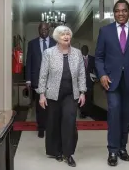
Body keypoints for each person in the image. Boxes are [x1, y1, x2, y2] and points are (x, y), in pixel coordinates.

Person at [95, 0, 129, 166]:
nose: (121, 13)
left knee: (126, 116)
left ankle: (122, 148)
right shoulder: (105, 31)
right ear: (114, 13)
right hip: (111, 81)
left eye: (124, 10)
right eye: (117, 11)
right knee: (114, 111)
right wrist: (102, 75)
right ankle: (112, 149)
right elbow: (99, 57)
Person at [38, 25, 86, 167]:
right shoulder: (49, 53)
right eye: (62, 34)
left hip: (71, 93)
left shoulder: (77, 53)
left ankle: (68, 153)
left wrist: (83, 92)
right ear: (57, 38)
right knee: (54, 122)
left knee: (69, 122)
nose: (66, 36)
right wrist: (42, 94)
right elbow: (43, 74)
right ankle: (56, 151)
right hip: (53, 93)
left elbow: (82, 74)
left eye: (68, 34)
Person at [25, 22, 56, 138]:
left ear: (49, 30)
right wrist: (28, 79)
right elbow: (29, 62)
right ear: (38, 30)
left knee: (51, 104)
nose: (44, 31)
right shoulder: (32, 44)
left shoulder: (55, 43)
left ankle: (50, 126)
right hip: (37, 79)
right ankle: (41, 127)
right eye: (41, 29)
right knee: (40, 105)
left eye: (46, 29)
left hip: (52, 79)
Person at [80, 45, 95, 118]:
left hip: (90, 81)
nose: (84, 51)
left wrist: (97, 76)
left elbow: (96, 68)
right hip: (80, 82)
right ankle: (82, 112)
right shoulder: (78, 59)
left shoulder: (92, 58)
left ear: (88, 50)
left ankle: (88, 111)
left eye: (86, 49)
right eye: (83, 49)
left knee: (89, 97)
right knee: (82, 97)